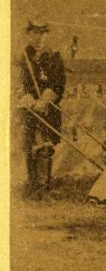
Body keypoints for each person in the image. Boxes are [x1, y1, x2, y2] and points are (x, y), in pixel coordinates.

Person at [18, 20, 66, 198]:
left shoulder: (54, 57)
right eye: (35, 33)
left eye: (42, 33)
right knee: (30, 145)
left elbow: (59, 84)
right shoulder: (21, 56)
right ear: (28, 34)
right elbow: (15, 81)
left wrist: (45, 99)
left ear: (48, 34)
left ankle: (42, 187)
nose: (38, 37)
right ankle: (33, 185)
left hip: (48, 108)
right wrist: (25, 96)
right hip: (26, 107)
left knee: (46, 145)